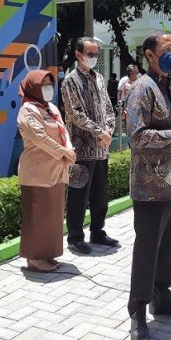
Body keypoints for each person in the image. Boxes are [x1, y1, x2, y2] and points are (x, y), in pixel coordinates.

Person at [125, 31, 171, 340]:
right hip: (150, 187)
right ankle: (138, 311)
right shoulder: (141, 88)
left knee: (170, 246)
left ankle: (162, 297)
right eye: (168, 49)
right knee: (147, 249)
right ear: (150, 54)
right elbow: (137, 136)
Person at [60, 37, 117, 254]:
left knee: (100, 194)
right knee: (78, 194)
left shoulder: (100, 79)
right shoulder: (70, 81)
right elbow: (75, 114)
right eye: (90, 54)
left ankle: (98, 232)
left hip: (102, 148)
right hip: (82, 147)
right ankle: (75, 236)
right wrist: (99, 132)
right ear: (78, 55)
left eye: (96, 54)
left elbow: (109, 109)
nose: (93, 58)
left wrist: (109, 131)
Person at [16, 70, 77, 271]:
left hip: (56, 169)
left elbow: (63, 129)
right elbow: (39, 137)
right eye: (43, 85)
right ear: (33, 87)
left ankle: (47, 254)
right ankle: (34, 258)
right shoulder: (28, 110)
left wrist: (68, 148)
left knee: (52, 215)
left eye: (50, 84)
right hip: (37, 171)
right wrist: (63, 152)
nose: (48, 88)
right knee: (37, 216)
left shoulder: (50, 108)